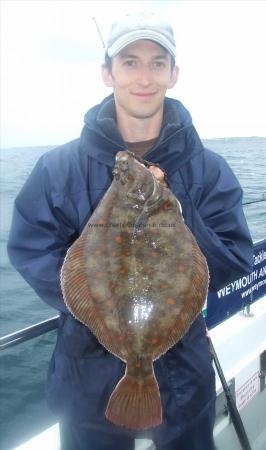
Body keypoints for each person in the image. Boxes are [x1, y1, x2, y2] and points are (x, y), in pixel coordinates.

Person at [7, 11, 253, 450]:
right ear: (107, 72)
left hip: (185, 381)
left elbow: (235, 259)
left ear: (174, 74)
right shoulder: (58, 169)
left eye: (158, 62)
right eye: (130, 62)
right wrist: (97, 307)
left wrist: (175, 210)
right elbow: (31, 249)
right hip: (86, 381)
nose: (145, 76)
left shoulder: (209, 170)